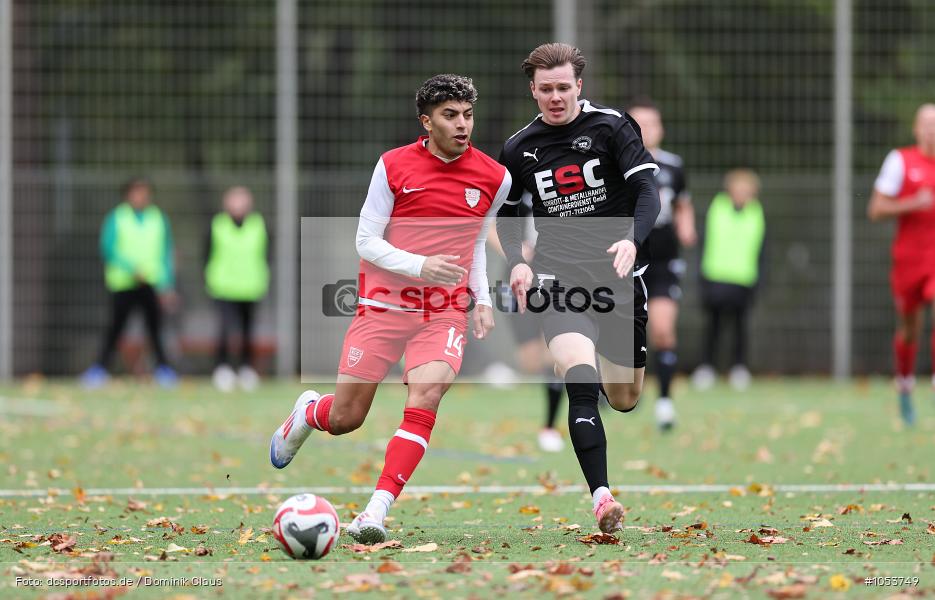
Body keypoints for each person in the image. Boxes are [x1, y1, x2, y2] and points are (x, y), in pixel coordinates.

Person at [269, 74, 510, 543]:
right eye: (450, 116)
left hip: (443, 311)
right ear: (426, 121)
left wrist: (480, 298)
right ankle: (308, 412)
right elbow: (366, 240)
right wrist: (421, 266)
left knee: (427, 395)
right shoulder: (393, 166)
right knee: (346, 418)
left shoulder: (494, 176)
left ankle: (375, 510)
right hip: (381, 306)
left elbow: (476, 241)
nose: (462, 125)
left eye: (467, 115)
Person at [497, 43, 660, 534]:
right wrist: (516, 264)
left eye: (563, 87)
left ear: (579, 86)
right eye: (545, 89)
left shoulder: (612, 127)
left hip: (618, 282)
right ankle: (602, 497)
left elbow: (648, 192)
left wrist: (633, 239)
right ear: (533, 90)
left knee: (625, 396)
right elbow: (507, 217)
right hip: (559, 280)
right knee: (580, 384)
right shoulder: (518, 147)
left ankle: (605, 377)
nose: (555, 97)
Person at [627, 98, 695, 431]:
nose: (645, 131)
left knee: (663, 330)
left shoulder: (673, 166)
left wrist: (686, 225)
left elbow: (682, 204)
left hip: (663, 261)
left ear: (660, 129)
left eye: (651, 124)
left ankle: (665, 402)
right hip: (623, 259)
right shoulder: (616, 164)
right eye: (637, 125)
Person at [867, 103, 935, 426]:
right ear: (916, 129)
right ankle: (905, 387)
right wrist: (913, 203)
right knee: (910, 329)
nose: (932, 130)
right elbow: (876, 208)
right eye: (927, 124)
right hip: (908, 259)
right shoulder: (900, 161)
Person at [81, 178, 178, 388]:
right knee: (115, 328)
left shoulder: (158, 218)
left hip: (152, 283)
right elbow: (108, 249)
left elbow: (166, 253)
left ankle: (163, 370)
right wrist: (131, 269)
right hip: (124, 284)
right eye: (136, 192)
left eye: (144, 193)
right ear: (128, 195)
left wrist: (167, 284)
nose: (140, 197)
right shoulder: (117, 217)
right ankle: (99, 369)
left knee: (155, 329)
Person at [488, 200, 565, 453]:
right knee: (531, 362)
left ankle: (550, 427)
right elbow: (487, 224)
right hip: (517, 278)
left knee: (554, 351)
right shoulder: (514, 179)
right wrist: (516, 251)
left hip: (554, 276)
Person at [691, 169, 765, 391]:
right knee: (713, 326)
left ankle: (739, 368)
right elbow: (704, 242)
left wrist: (760, 279)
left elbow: (762, 250)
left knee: (740, 328)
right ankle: (707, 367)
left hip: (743, 279)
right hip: (715, 276)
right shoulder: (717, 208)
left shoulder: (756, 213)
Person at [204, 186, 270, 392]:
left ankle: (246, 369)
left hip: (251, 286)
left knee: (248, 331)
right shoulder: (217, 225)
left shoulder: (258, 224)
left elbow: (267, 254)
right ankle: (222, 369)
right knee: (224, 329)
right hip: (223, 286)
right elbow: (206, 254)